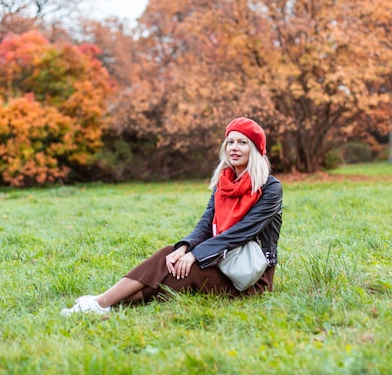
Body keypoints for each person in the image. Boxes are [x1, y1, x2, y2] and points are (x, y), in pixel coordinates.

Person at [61, 117, 283, 316]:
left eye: (242, 143)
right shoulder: (223, 184)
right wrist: (185, 248)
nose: (234, 148)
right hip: (220, 261)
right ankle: (104, 304)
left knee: (183, 269)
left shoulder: (270, 189)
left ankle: (100, 303)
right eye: (230, 142)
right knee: (172, 258)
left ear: (254, 149)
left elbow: (240, 233)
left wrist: (195, 255)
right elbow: (205, 224)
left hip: (250, 279)